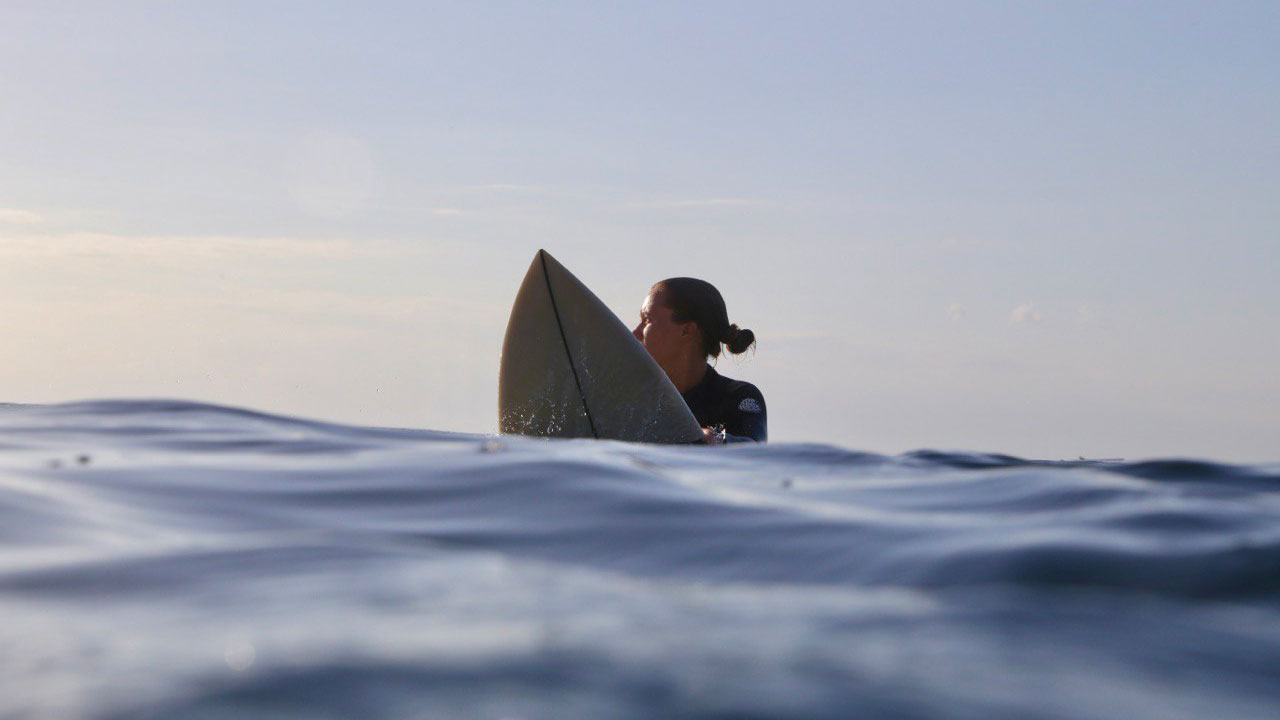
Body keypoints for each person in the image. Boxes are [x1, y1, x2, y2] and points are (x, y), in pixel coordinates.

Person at [632, 277, 767, 443]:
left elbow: (753, 450)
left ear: (686, 330)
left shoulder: (738, 397)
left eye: (646, 320)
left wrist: (710, 440)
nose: (635, 333)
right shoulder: (631, 399)